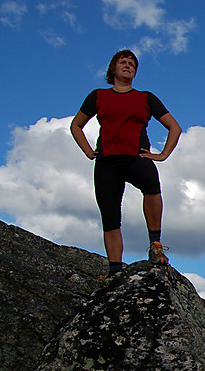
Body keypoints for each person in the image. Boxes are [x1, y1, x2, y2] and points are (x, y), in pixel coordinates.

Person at [70, 49, 181, 276]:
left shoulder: (146, 98)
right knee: (110, 216)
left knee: (152, 186)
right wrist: (88, 151)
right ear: (113, 68)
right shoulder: (98, 96)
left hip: (136, 157)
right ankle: (114, 270)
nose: (128, 65)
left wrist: (162, 155)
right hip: (107, 161)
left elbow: (174, 127)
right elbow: (76, 125)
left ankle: (155, 246)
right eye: (123, 62)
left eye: (132, 63)